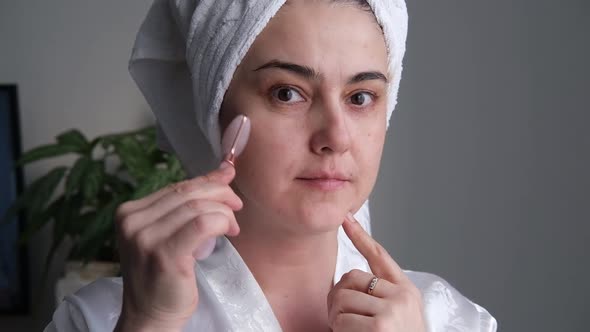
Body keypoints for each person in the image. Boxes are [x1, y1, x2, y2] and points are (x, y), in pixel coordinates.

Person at [45, 0, 497, 331]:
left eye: (361, 98)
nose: (336, 138)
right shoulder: (100, 320)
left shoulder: (449, 320)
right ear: (215, 108)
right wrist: (149, 323)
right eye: (287, 93)